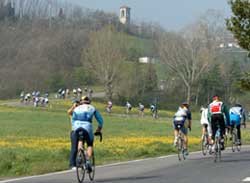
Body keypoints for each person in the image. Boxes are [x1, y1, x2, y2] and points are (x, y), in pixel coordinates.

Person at [67, 96, 103, 172]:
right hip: (87, 126)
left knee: (80, 139)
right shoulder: (92, 108)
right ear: (89, 102)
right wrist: (98, 130)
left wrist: (74, 127)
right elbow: (100, 121)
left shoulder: (77, 108)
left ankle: (80, 154)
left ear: (81, 102)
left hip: (76, 127)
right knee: (90, 144)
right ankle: (87, 162)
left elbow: (73, 118)